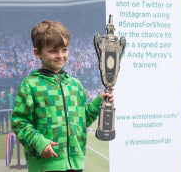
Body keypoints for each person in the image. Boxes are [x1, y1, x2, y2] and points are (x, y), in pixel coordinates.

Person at [11, 20, 112, 172]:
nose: (60, 55)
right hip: (44, 166)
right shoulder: (30, 85)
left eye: (64, 50)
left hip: (76, 165)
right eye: (53, 51)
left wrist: (99, 101)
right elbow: (19, 122)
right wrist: (40, 143)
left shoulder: (75, 85)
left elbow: (83, 121)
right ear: (38, 53)